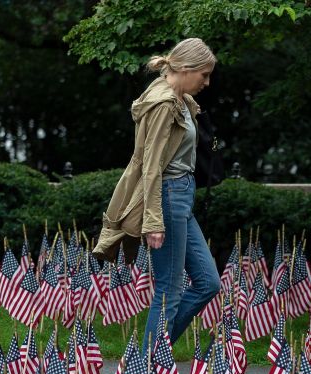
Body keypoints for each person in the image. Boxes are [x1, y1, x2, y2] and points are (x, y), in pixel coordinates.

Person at [93, 38, 222, 352]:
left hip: (181, 196)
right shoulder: (164, 103)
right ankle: (144, 370)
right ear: (185, 68)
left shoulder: (178, 99)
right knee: (169, 289)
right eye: (203, 75)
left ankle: (150, 355)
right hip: (168, 195)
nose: (207, 82)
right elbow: (151, 166)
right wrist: (153, 221)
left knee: (208, 283)